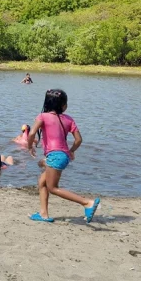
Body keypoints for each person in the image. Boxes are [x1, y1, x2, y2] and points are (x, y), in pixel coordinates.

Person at [27, 89, 99, 223]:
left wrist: (29, 146)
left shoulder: (42, 116)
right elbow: (79, 140)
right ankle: (43, 214)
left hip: (54, 156)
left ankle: (87, 203)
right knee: (42, 182)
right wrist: (71, 151)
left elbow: (31, 134)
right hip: (63, 155)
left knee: (52, 188)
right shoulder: (69, 119)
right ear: (63, 105)